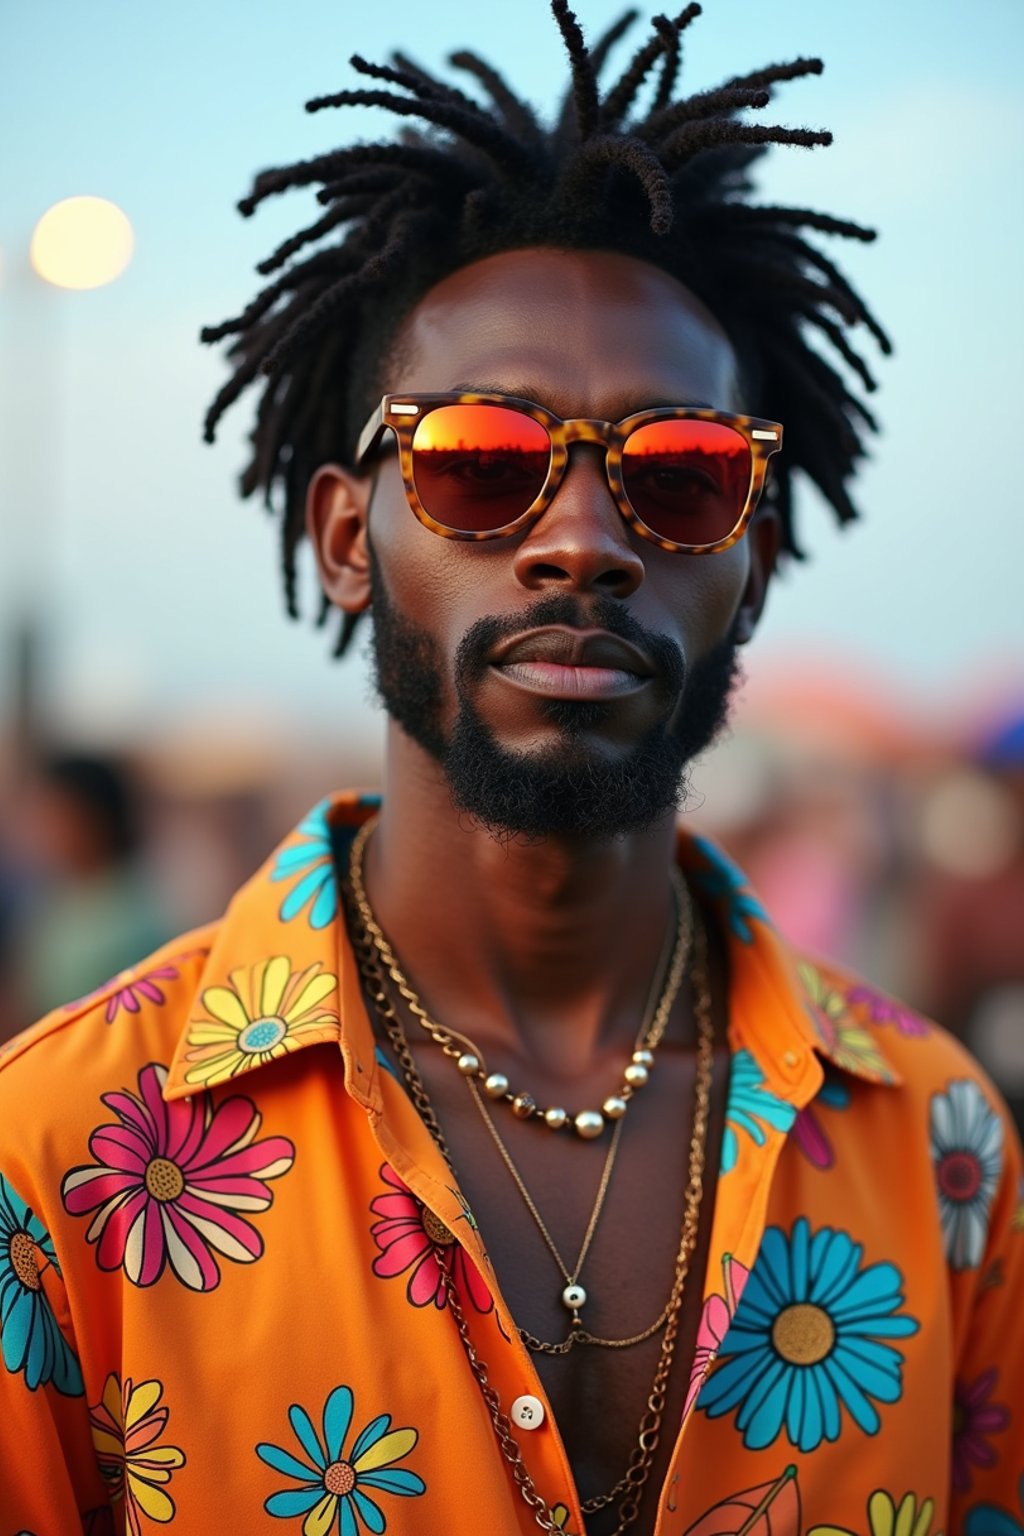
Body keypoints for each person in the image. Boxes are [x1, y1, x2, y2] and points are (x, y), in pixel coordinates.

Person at [1, 6, 1021, 1533]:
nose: (583, 539)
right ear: (349, 539)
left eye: (683, 473)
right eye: (479, 459)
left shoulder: (944, 1147)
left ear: (754, 551)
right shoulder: (63, 1153)